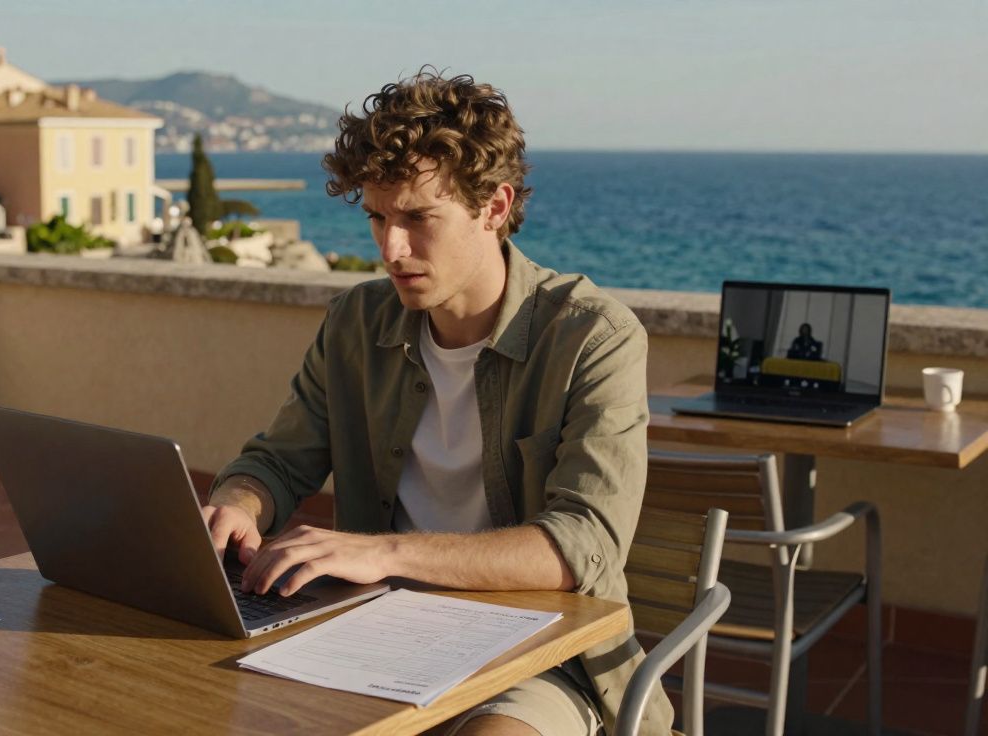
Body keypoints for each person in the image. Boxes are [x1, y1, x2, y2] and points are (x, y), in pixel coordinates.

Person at [202, 70, 672, 736]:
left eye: (418, 218)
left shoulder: (593, 337)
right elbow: (279, 461)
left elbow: (582, 547)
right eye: (377, 218)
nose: (391, 248)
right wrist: (238, 505)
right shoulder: (355, 324)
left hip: (540, 658)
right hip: (366, 635)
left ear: (495, 207)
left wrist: (384, 555)